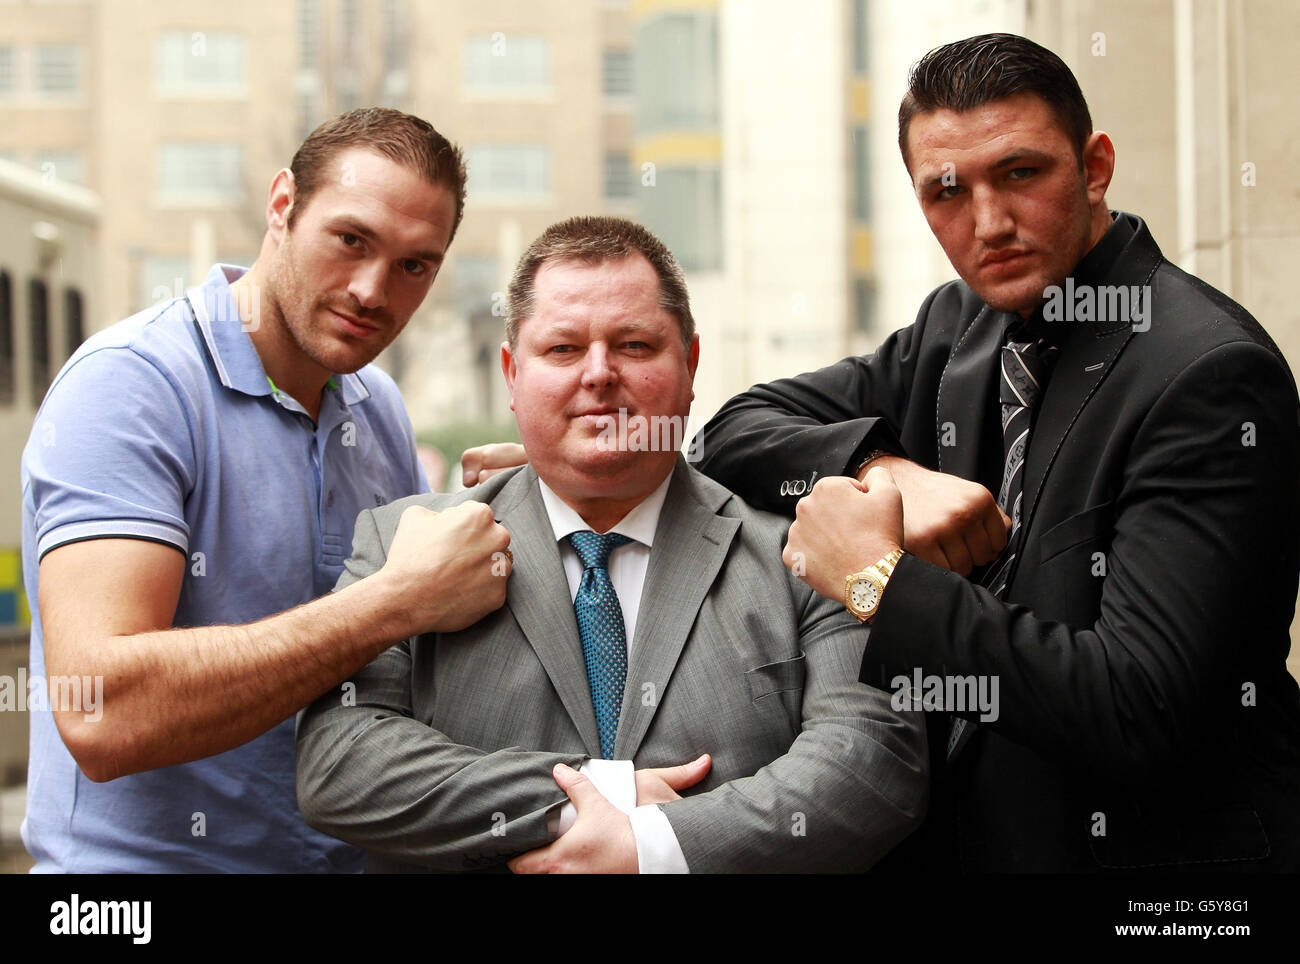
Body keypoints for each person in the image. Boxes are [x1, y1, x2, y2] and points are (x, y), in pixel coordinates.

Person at [690, 33, 1300, 872]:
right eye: (947, 190)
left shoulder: (1208, 373)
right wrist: (884, 469)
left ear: (1095, 167)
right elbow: (733, 431)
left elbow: (1139, 709)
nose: (989, 223)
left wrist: (876, 582)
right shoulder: (962, 325)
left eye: (1020, 173)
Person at [296, 216, 927, 873]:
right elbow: (339, 763)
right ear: (512, 374)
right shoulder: (402, 542)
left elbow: (872, 764)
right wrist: (592, 797)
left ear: (690, 365)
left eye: (634, 345)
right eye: (563, 349)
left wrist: (651, 848)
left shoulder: (807, 554)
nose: (599, 374)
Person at [21, 108, 513, 872]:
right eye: (351, 240)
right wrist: (393, 602)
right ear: (282, 204)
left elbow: (418, 661)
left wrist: (535, 509)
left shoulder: (376, 408)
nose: (372, 290)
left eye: (415, 265)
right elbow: (101, 711)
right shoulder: (132, 385)